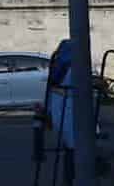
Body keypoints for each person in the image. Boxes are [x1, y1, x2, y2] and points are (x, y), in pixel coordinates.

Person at [46, 40, 76, 183]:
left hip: (60, 106)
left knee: (70, 147)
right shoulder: (70, 64)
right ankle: (70, 178)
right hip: (68, 107)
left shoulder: (57, 62)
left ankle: (68, 178)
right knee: (73, 146)